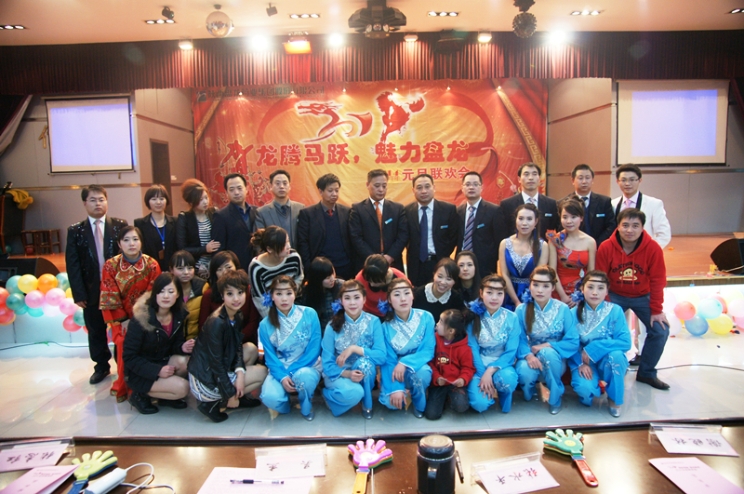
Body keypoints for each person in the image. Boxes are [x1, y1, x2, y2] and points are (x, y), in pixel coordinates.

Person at [596, 208, 670, 390]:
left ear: (643, 228)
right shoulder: (606, 247)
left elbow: (658, 280)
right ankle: (606, 371)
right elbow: (600, 278)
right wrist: (604, 306)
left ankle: (646, 373)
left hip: (642, 295)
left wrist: (657, 310)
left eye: (635, 226)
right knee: (602, 329)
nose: (630, 230)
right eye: (625, 225)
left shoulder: (653, 248)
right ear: (618, 226)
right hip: (614, 295)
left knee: (660, 330)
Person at [66, 185, 128, 385]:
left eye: (101, 199)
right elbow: (73, 264)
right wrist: (78, 293)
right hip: (91, 289)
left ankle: (123, 366)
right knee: (95, 330)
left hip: (118, 289)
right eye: (93, 200)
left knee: (121, 329)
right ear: (85, 203)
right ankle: (101, 366)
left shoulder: (119, 225)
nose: (98, 203)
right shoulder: (75, 231)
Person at [188, 269, 268, 423]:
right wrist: (230, 393)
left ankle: (239, 394)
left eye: (240, 292)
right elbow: (216, 364)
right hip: (205, 379)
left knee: (250, 349)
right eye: (230, 294)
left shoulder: (236, 314)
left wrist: (240, 374)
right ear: (222, 295)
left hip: (217, 368)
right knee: (262, 372)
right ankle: (210, 403)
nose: (236, 298)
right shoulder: (216, 322)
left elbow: (237, 346)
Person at [100, 226, 162, 401]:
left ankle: (146, 385)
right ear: (119, 244)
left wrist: (139, 319)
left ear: (141, 242)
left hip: (146, 317)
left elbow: (152, 295)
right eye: (126, 240)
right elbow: (110, 295)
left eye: (135, 239)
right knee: (123, 343)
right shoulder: (111, 266)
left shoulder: (152, 264)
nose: (131, 244)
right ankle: (124, 385)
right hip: (121, 320)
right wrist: (124, 320)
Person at [123, 273, 194, 414]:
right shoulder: (141, 319)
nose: (166, 296)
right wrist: (157, 371)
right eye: (161, 291)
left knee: (186, 362)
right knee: (183, 388)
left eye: (171, 291)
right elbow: (129, 357)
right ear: (154, 293)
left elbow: (174, 344)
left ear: (178, 294)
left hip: (162, 360)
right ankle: (139, 395)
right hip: (140, 371)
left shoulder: (178, 314)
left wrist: (182, 347)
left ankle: (165, 397)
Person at [515, 266, 579, 415]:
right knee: (524, 371)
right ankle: (529, 390)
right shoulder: (521, 309)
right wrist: (528, 356)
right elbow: (518, 338)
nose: (540, 290)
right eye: (536, 285)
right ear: (530, 285)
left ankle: (555, 398)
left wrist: (547, 345)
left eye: (545, 286)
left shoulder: (563, 309)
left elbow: (572, 340)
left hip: (555, 356)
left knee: (548, 354)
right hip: (529, 354)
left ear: (553, 287)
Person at [259, 276, 321, 421]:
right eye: (279, 294)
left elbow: (314, 349)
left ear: (295, 293)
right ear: (272, 296)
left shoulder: (309, 314)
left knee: (304, 377)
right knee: (269, 397)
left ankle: (306, 405)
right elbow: (270, 357)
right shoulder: (265, 325)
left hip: (308, 365)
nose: (284, 299)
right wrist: (282, 377)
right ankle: (285, 404)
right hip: (281, 368)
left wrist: (291, 372)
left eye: (288, 293)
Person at [570, 271, 631, 417]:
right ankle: (592, 389)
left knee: (616, 356)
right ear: (582, 289)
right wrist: (580, 363)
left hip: (608, 359)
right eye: (590, 287)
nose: (595, 292)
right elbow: (570, 344)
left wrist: (594, 348)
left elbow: (625, 342)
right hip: (584, 362)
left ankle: (614, 398)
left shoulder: (615, 310)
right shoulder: (572, 313)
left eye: (600, 288)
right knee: (585, 389)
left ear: (607, 291)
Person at [321, 280, 386, 418]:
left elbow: (381, 356)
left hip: (365, 372)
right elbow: (326, 363)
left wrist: (354, 348)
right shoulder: (332, 326)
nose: (352, 303)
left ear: (364, 299)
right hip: (338, 373)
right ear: (341, 301)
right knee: (355, 393)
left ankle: (367, 404)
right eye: (347, 298)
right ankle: (328, 396)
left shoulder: (374, 322)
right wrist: (347, 374)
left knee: (365, 364)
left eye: (356, 297)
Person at [379, 278, 435, 418]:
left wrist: (405, 362)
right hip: (395, 369)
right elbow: (388, 360)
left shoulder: (426, 317)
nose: (403, 299)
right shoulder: (385, 327)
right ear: (389, 300)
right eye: (397, 295)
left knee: (421, 375)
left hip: (418, 365)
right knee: (391, 403)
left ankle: (418, 401)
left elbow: (428, 350)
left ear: (413, 295)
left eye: (406, 293)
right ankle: (403, 390)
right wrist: (396, 388)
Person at [466, 275, 521, 414]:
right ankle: (485, 391)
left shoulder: (512, 317)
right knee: (479, 404)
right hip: (478, 364)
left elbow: (511, 351)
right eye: (489, 293)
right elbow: (472, 349)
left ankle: (503, 393)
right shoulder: (472, 317)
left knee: (507, 380)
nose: (494, 298)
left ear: (504, 295)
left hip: (501, 363)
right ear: (481, 293)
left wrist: (490, 371)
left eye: (499, 293)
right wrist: (482, 374)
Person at [349, 169, 409, 272]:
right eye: (377, 186)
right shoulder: (357, 209)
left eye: (384, 186)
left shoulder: (397, 209)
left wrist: (390, 256)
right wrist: (373, 260)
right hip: (367, 264)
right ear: (368, 185)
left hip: (393, 263)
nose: (381, 189)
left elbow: (403, 235)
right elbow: (356, 237)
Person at [404, 174, 459, 287]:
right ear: (413, 190)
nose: (424, 191)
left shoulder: (448, 209)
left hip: (439, 261)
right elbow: (404, 236)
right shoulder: (407, 211)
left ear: (434, 188)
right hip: (416, 264)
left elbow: (453, 237)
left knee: (440, 291)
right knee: (417, 293)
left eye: (427, 186)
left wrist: (443, 253)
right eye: (419, 187)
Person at [296, 173, 354, 281]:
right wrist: (309, 268)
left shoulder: (347, 211)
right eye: (330, 190)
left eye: (337, 190)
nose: (334, 194)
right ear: (320, 191)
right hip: (321, 268)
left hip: (345, 266)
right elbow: (303, 243)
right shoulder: (307, 214)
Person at [199, 251, 260, 345]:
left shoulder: (247, 289)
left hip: (243, 341)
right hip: (218, 343)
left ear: (236, 267)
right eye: (219, 269)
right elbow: (203, 326)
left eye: (228, 267)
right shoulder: (208, 295)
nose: (225, 272)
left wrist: (236, 339)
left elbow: (253, 322)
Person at [425, 309, 475, 420]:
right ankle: (440, 399)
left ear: (451, 331)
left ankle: (449, 399)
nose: (437, 324)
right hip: (438, 384)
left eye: (441, 322)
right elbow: (430, 362)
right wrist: (437, 377)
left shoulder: (464, 348)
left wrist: (462, 379)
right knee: (432, 415)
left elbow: (468, 368)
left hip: (455, 385)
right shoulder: (434, 339)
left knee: (461, 406)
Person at [457, 171, 507, 277]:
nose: (471, 187)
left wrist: (491, 259)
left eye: (475, 184)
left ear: (481, 187)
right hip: (462, 266)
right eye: (468, 184)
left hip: (485, 267)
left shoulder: (494, 210)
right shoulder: (458, 211)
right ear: (462, 188)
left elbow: (500, 240)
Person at [547, 198, 596, 307]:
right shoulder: (555, 240)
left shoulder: (590, 242)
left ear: (581, 218)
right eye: (565, 217)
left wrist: (580, 294)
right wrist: (563, 296)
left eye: (573, 217)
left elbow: (591, 272)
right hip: (558, 291)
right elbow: (552, 271)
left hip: (582, 291)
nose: (569, 221)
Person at [499, 203, 548, 311]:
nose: (524, 223)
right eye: (521, 218)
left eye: (529, 219)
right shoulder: (505, 243)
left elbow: (539, 277)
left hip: (534, 294)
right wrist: (516, 301)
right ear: (516, 220)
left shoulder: (542, 245)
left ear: (536, 221)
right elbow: (505, 275)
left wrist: (528, 298)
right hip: (509, 293)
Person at [611, 164, 671, 248]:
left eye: (632, 179)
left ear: (640, 180)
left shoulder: (654, 204)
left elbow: (664, 234)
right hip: (618, 252)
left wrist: (649, 250)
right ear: (617, 181)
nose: (627, 183)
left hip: (644, 251)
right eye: (623, 180)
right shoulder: (612, 204)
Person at [248, 226, 304, 317]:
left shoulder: (294, 257)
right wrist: (274, 320)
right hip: (272, 312)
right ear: (269, 249)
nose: (289, 246)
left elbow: (299, 277)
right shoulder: (256, 268)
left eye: (288, 241)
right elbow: (261, 301)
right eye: (283, 244)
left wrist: (289, 295)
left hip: (295, 304)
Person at [499, 162, 559, 238]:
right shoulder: (507, 204)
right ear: (519, 179)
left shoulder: (551, 204)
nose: (530, 178)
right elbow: (503, 233)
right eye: (526, 174)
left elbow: (556, 230)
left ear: (539, 178)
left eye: (534, 174)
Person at [562, 164, 616, 246]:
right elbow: (560, 227)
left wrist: (595, 244)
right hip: (572, 247)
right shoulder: (563, 203)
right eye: (580, 178)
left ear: (592, 180)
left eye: (587, 178)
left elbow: (611, 226)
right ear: (573, 180)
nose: (584, 181)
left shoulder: (604, 202)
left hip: (599, 246)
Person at [212, 172, 258, 270]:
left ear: (246, 189)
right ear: (226, 193)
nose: (236, 192)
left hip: (257, 265)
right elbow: (219, 250)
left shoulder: (257, 212)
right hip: (236, 268)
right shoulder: (220, 216)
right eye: (231, 189)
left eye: (239, 188)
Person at [176, 178, 219, 279]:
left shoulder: (213, 212)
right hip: (196, 265)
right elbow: (182, 248)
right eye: (200, 200)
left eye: (206, 198)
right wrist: (205, 249)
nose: (205, 202)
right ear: (191, 201)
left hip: (215, 262)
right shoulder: (185, 218)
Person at [255, 169, 305, 248]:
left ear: (289, 186)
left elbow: (306, 237)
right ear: (271, 187)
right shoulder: (262, 212)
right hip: (273, 255)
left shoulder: (300, 208)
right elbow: (259, 242)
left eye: (285, 183)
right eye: (277, 183)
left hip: (297, 254)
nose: (281, 186)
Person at [134, 184, 177, 273]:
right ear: (148, 202)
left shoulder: (176, 221)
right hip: (149, 270)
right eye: (154, 199)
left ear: (166, 200)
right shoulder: (140, 224)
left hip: (173, 269)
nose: (158, 202)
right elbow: (140, 249)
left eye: (161, 198)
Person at [170, 250, 208, 341]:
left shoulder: (203, 287)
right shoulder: (166, 289)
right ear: (171, 270)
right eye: (180, 268)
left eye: (190, 268)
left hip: (196, 339)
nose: (186, 272)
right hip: (173, 341)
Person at [298, 256, 343, 332]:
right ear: (318, 279)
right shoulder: (306, 294)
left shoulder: (341, 286)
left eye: (333, 273)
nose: (332, 279)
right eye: (327, 278)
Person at [355, 254, 407, 318]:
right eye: (369, 281)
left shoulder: (401, 279)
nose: (372, 284)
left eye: (376, 281)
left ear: (386, 275)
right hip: (368, 314)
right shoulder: (360, 278)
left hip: (395, 314)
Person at [413, 258, 463, 324]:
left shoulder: (456, 298)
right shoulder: (418, 294)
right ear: (434, 274)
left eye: (448, 279)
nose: (443, 282)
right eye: (440, 276)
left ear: (454, 281)